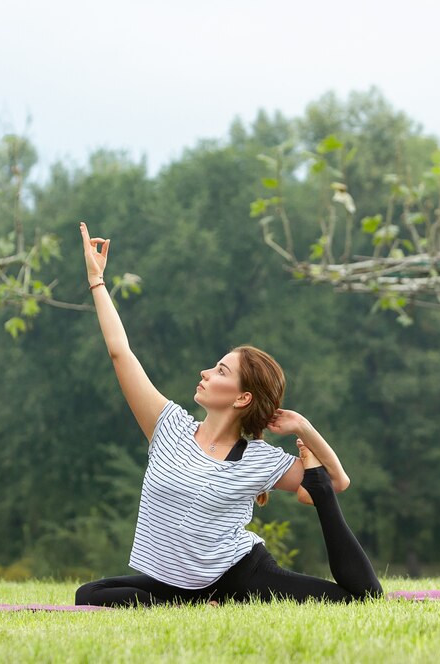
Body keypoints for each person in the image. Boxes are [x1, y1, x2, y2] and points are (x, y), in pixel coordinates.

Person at [74, 222, 383, 607]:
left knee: (360, 597)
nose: (205, 372)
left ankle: (212, 601)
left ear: (242, 398)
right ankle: (197, 604)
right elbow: (121, 353)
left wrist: (304, 427)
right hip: (175, 582)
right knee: (90, 594)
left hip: (245, 575)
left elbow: (337, 482)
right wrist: (97, 282)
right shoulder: (167, 426)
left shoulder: (258, 458)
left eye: (221, 371)